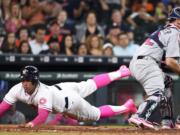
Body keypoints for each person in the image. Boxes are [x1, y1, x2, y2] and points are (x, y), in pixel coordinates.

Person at [0, 65, 137, 127]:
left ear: (35, 81)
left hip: (71, 103)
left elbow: (42, 117)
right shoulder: (16, 89)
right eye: (23, 80)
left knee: (97, 114)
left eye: (27, 80)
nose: (24, 83)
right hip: (63, 87)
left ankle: (127, 107)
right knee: (91, 83)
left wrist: (31, 124)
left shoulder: (43, 93)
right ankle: (120, 72)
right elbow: (3, 107)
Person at [128, 7, 180, 129]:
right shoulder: (175, 32)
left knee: (167, 82)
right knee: (158, 92)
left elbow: (166, 60)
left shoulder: (166, 31)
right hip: (147, 62)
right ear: (178, 21)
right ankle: (140, 116)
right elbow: (170, 61)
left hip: (140, 62)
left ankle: (167, 122)